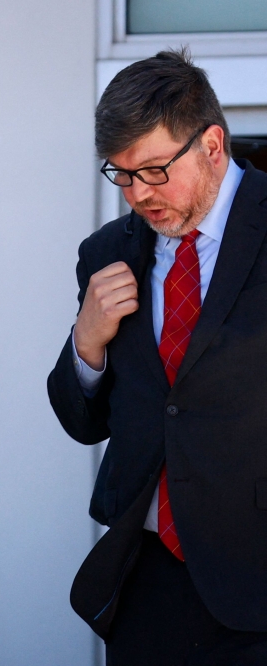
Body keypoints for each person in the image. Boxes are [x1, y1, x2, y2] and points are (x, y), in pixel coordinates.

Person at [48, 49, 267, 664]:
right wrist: (85, 343)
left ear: (213, 144)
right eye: (120, 174)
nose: (138, 194)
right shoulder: (105, 253)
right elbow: (84, 423)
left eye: (153, 170)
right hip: (148, 581)